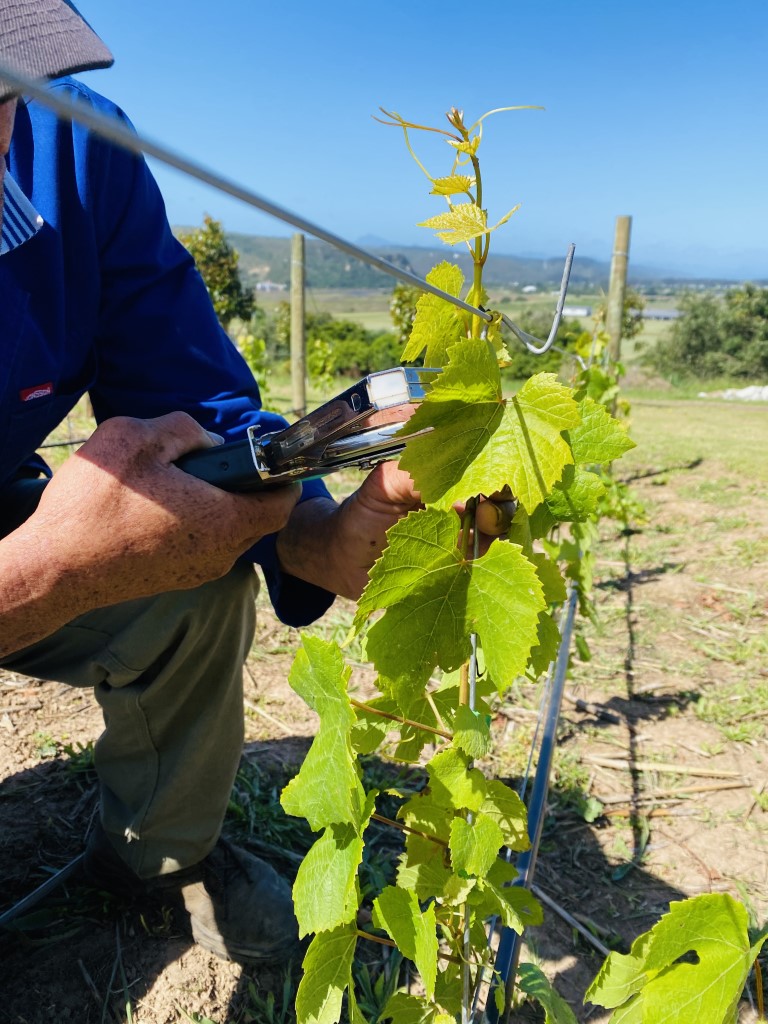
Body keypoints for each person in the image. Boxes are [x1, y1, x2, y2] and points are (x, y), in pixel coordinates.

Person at [0, 0, 428, 966]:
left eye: (4, 87)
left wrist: (308, 531)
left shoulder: (68, 141)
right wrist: (49, 574)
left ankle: (156, 860)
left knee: (189, 566)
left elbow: (188, 395)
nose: (2, 140)